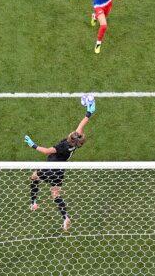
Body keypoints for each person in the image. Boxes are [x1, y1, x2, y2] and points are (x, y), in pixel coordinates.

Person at [24, 98, 96, 231]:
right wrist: (89, 112)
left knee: (34, 177)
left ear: (71, 138)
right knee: (55, 194)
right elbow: (81, 126)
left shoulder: (63, 146)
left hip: (50, 167)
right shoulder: (76, 144)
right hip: (60, 171)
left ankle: (33, 202)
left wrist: (32, 144)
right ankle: (65, 217)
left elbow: (46, 151)